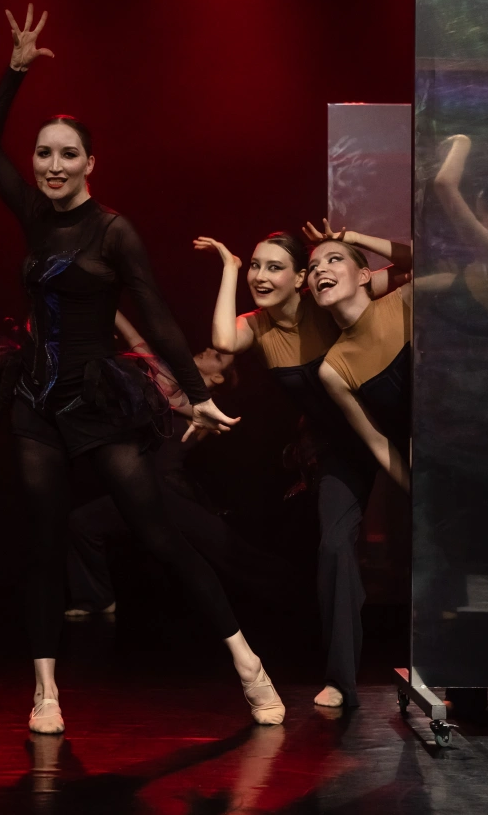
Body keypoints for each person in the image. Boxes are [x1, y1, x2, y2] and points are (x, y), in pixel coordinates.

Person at [0, 5, 284, 734]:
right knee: (43, 541)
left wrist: (197, 396)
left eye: (66, 155)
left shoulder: (113, 231)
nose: (51, 165)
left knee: (159, 536)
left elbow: (161, 319)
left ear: (90, 164)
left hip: (96, 402)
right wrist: (14, 72)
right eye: (43, 154)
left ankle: (248, 665)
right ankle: (46, 692)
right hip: (35, 402)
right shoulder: (33, 214)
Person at [194, 226, 411, 708]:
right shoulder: (257, 326)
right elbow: (222, 339)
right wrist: (229, 268)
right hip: (341, 449)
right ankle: (341, 679)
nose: (260, 276)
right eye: (255, 266)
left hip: (395, 426)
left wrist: (353, 238)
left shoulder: (326, 299)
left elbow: (409, 267)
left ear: (300, 279)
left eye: (274, 267)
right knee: (333, 547)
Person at [65, 318, 294, 617]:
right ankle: (98, 599)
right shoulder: (173, 385)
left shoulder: (209, 408)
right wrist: (112, 309)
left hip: (167, 492)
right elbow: (138, 342)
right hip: (141, 487)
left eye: (217, 356)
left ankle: (299, 588)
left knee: (231, 553)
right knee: (81, 523)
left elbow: (172, 397)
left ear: (218, 377)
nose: (208, 349)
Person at [305, 230, 411, 490]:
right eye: (313, 267)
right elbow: (379, 443)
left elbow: (428, 261)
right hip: (428, 471)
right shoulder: (333, 370)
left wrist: (354, 237)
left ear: (364, 276)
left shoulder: (407, 300)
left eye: (334, 259)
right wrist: (414, 492)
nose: (320, 270)